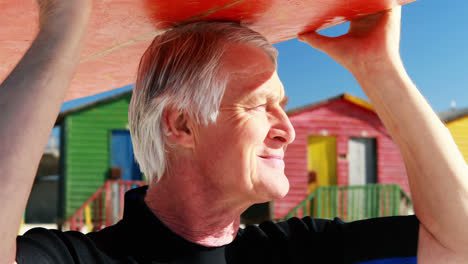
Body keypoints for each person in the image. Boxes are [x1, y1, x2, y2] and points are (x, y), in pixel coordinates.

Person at [2, 0, 468, 263]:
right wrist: (63, 28)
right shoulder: (76, 260)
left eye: (282, 106)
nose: (287, 130)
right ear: (181, 124)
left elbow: (459, 241)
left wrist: (381, 70)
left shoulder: (299, 253)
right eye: (259, 106)